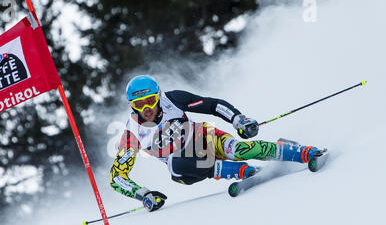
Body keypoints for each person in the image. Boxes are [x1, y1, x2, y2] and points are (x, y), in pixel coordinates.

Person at [110, 75, 323, 212]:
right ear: (132, 105)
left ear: (158, 96)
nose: (146, 108)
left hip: (205, 138)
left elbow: (213, 105)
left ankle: (299, 152)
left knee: (240, 150)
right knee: (176, 163)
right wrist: (144, 195)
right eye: (139, 104)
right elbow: (117, 177)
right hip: (187, 170)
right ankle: (240, 170)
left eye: (150, 101)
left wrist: (239, 119)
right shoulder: (131, 134)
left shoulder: (172, 100)